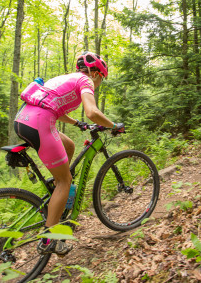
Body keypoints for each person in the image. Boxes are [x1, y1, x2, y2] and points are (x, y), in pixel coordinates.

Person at [15, 51, 124, 255]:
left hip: (23, 120)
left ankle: (58, 186)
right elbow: (92, 112)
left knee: (70, 145)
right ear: (97, 73)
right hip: (40, 122)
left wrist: (76, 123)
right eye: (102, 78)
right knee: (66, 181)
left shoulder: (66, 77)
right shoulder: (86, 80)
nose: (99, 83)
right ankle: (50, 238)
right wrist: (113, 125)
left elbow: (51, 106)